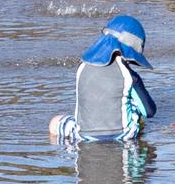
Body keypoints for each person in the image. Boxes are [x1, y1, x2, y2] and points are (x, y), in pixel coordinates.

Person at [50, 15, 157, 145]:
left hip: (82, 135)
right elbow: (149, 111)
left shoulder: (82, 67)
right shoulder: (130, 76)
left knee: (55, 122)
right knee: (135, 106)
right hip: (124, 135)